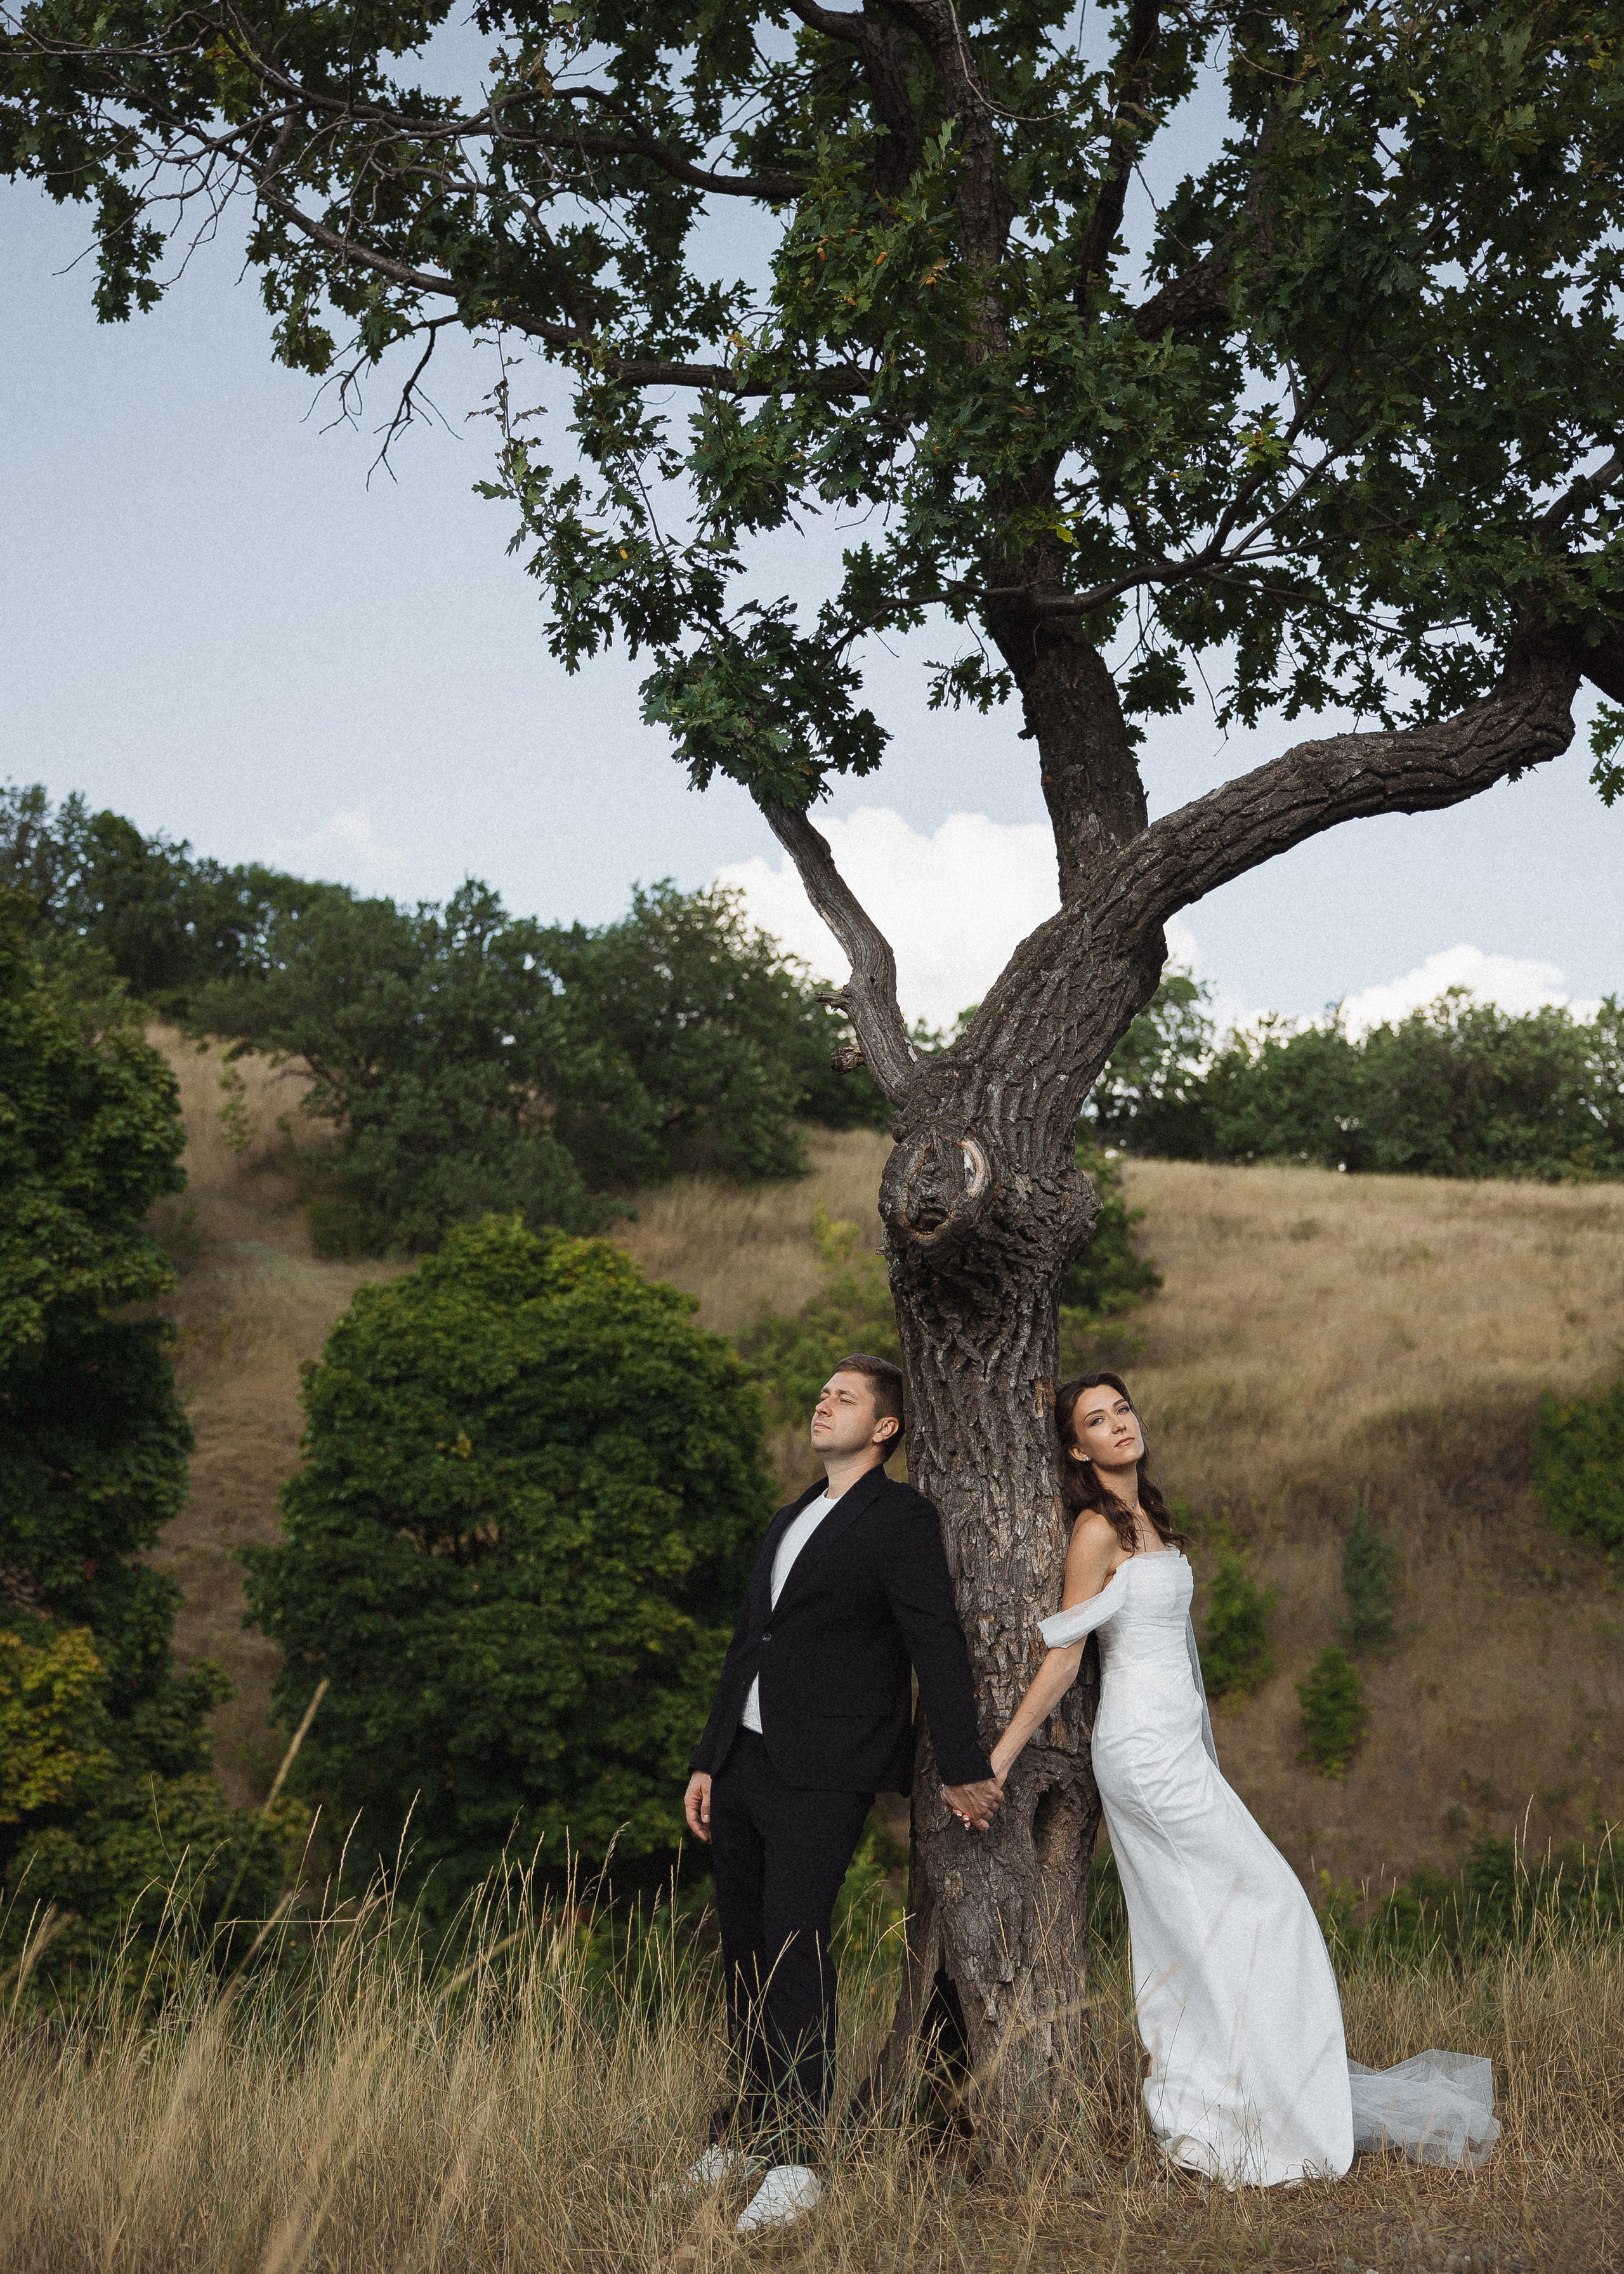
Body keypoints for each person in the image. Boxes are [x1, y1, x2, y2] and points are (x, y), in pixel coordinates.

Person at [974, 1370, 1498, 2186]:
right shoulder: (1094, 1531)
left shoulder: (1150, 1513)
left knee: (1211, 1922)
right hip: (1144, 1757)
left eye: (1123, 1409)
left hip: (1180, 1748)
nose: (1118, 1425)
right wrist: (1000, 1756)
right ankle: (1225, 2104)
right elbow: (1066, 1654)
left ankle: (1246, 2093)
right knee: (1272, 1902)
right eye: (1095, 1420)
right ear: (1076, 1447)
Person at [682, 1352, 1001, 2232]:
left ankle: (799, 2159)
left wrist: (964, 1764)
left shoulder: (900, 1520)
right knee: (745, 1950)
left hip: (826, 1772)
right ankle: (747, 2128)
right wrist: (708, 1760)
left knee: (794, 1947)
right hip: (743, 1766)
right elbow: (749, 1643)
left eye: (845, 1398)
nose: (823, 1404)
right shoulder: (790, 1517)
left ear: (886, 1427)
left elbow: (934, 1642)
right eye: (822, 1393)